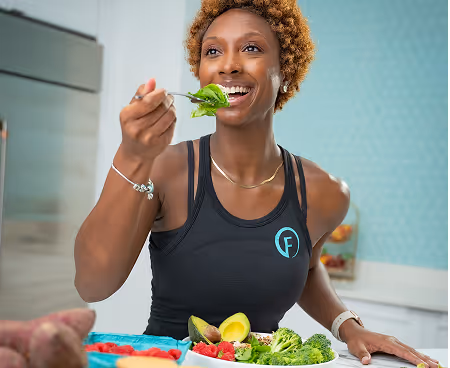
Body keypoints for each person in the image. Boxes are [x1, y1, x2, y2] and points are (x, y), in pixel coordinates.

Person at [74, 1, 438, 367]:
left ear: (285, 69)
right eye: (212, 51)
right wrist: (132, 157)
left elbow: (306, 266)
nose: (228, 64)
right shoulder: (165, 169)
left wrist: (348, 326)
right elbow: (92, 285)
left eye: (251, 48)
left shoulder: (323, 192)